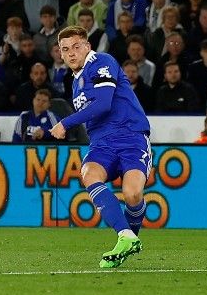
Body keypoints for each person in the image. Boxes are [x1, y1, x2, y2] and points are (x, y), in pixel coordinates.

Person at [50, 25, 150, 269]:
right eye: (65, 49)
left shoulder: (101, 61)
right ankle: (125, 236)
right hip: (102, 143)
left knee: (132, 194)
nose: (71, 53)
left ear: (87, 46)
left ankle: (126, 239)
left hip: (130, 136)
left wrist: (66, 122)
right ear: (60, 54)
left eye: (76, 46)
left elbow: (103, 103)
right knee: (88, 174)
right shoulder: (75, 81)